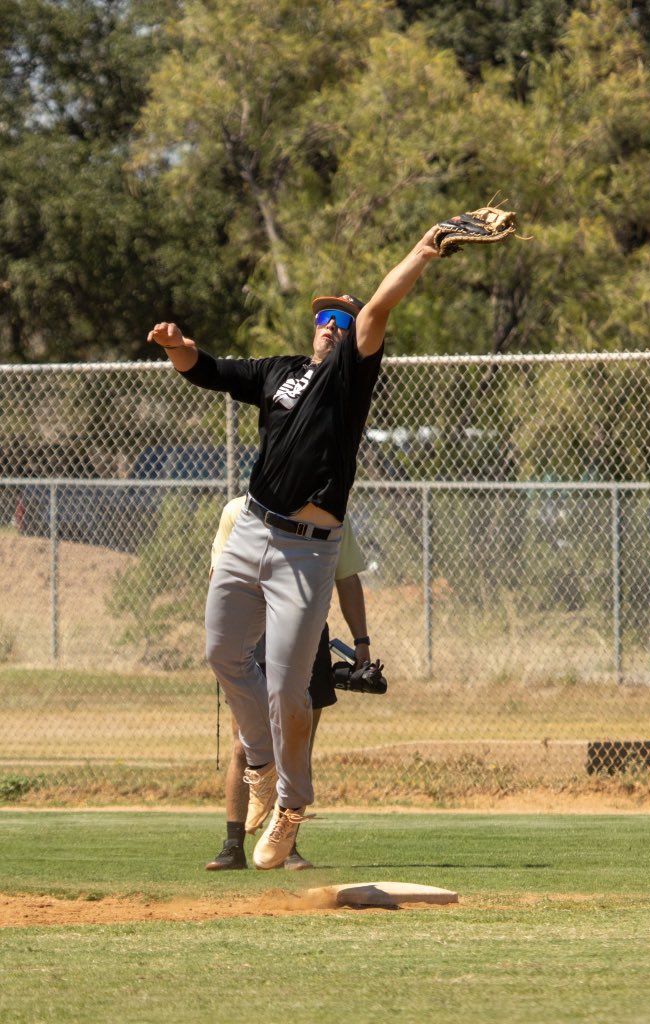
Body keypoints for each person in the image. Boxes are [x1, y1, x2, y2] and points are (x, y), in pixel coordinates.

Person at [147, 223, 442, 869]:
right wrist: (178, 349)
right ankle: (258, 764)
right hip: (250, 528)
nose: (331, 325)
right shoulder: (279, 372)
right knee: (223, 653)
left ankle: (290, 808)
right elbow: (211, 371)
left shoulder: (349, 382)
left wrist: (420, 252)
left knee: (287, 689)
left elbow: (383, 307)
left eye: (343, 319)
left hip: (308, 554)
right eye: (323, 320)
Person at [205, 495, 370, 871]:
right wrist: (226, 642)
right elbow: (220, 579)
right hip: (253, 634)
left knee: (297, 743)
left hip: (304, 633)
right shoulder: (240, 512)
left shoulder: (330, 517)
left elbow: (347, 579)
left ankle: (287, 844)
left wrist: (362, 642)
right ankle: (233, 845)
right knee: (243, 745)